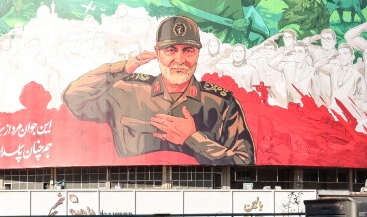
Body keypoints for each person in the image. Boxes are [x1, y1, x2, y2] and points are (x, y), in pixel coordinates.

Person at [62, 16, 255, 165]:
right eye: (170, 50)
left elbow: (245, 161)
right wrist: (124, 68)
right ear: (157, 53)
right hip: (129, 193)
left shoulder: (220, 103)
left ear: (198, 53)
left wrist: (193, 139)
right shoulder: (127, 90)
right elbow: (73, 98)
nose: (179, 60)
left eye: (188, 50)